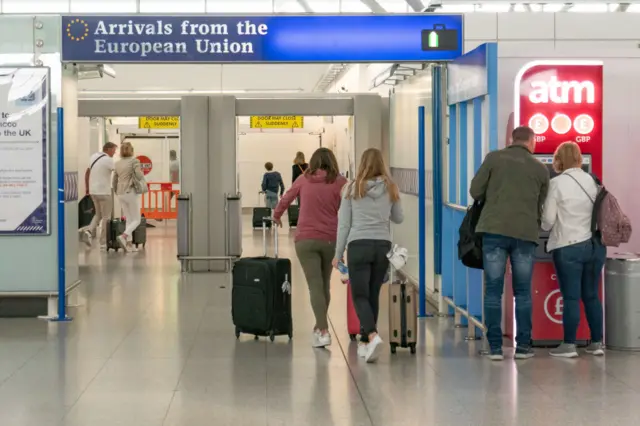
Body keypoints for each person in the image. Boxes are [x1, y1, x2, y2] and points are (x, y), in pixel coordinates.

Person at [470, 126, 549, 361]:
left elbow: (475, 191)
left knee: (493, 290)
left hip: (494, 231)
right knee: (523, 291)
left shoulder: (494, 158)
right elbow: (541, 203)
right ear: (532, 142)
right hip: (525, 234)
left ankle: (495, 347)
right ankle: (523, 346)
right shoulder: (540, 168)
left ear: (511, 140)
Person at [333, 148, 404, 363]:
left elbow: (344, 224)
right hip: (382, 245)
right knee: (373, 294)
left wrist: (338, 254)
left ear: (361, 164)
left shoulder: (351, 189)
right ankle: (365, 342)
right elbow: (399, 218)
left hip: (358, 245)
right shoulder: (391, 188)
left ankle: (372, 335)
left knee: (359, 295)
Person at [273, 148, 347, 348]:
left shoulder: (303, 179)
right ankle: (319, 327)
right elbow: (351, 205)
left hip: (305, 239)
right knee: (324, 285)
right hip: (330, 239)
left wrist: (276, 215)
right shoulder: (340, 182)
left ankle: (322, 331)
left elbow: (287, 197)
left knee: (315, 285)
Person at [541, 142, 605, 358]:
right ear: (579, 159)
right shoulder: (593, 180)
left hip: (568, 246)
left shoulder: (556, 184)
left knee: (570, 297)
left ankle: (569, 345)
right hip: (595, 247)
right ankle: (597, 343)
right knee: (591, 296)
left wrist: (543, 224)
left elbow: (548, 221)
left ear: (558, 160)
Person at [80, 142, 117, 250]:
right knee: (106, 217)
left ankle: (88, 231)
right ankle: (103, 242)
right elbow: (119, 172)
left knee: (98, 215)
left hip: (93, 191)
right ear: (108, 149)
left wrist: (87, 188)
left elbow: (87, 172)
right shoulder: (109, 160)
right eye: (114, 150)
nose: (114, 153)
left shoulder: (93, 156)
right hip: (104, 192)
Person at [112, 142, 145, 253]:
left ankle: (129, 245)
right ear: (132, 150)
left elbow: (114, 180)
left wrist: (116, 191)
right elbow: (139, 175)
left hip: (120, 193)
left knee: (129, 219)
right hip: (130, 191)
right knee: (137, 219)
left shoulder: (117, 163)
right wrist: (141, 173)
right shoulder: (134, 161)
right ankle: (124, 236)